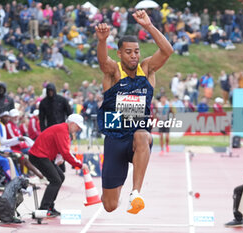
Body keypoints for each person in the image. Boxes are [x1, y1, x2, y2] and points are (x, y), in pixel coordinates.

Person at [95, 9, 173, 214]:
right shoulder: (114, 72)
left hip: (137, 137)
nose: (134, 55)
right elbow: (103, 61)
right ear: (119, 53)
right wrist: (102, 41)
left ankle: (136, 193)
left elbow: (167, 51)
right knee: (110, 206)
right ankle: (113, 189)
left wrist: (148, 26)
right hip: (114, 139)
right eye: (128, 52)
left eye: (136, 51)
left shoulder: (147, 69)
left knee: (142, 135)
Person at [28, 114, 88, 217]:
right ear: (72, 123)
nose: (78, 129)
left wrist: (59, 157)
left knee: (60, 177)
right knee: (55, 180)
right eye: (78, 126)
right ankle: (43, 209)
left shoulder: (64, 130)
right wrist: (80, 165)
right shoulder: (62, 130)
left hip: (44, 156)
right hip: (38, 156)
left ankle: (50, 207)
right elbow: (66, 152)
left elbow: (61, 149)